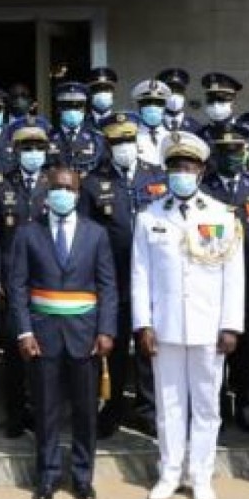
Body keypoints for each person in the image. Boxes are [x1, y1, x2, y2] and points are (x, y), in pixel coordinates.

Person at [131, 132, 243, 499]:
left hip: (209, 326)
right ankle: (169, 472)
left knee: (207, 405)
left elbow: (233, 274)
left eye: (188, 166)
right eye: (175, 166)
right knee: (169, 405)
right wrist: (143, 324)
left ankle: (201, 475)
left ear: (201, 171)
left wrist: (231, 325)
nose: (182, 172)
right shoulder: (149, 216)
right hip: (165, 327)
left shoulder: (222, 215)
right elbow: (140, 274)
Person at [9, 166, 117, 499]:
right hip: (43, 335)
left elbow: (107, 286)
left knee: (86, 411)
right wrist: (24, 330)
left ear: (78, 193)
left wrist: (106, 330)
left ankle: (83, 477)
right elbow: (17, 286)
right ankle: (48, 475)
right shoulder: (28, 233)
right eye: (57, 187)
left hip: (85, 335)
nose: (63, 193)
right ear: (47, 191)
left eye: (69, 188)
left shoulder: (96, 234)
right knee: (46, 410)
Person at [84, 113, 167, 438]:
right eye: (117, 142)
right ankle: (112, 409)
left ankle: (148, 410)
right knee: (114, 346)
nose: (124, 147)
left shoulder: (157, 176)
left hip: (153, 277)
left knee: (149, 345)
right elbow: (88, 233)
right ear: (107, 145)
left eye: (128, 140)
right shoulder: (93, 182)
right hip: (113, 278)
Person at [201, 128, 249, 433]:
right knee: (213, 348)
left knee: (247, 349)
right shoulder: (203, 188)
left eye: (237, 152)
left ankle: (245, 405)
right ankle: (216, 407)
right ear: (215, 156)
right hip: (211, 280)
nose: (232, 157)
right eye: (225, 152)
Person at [0, 120, 54, 437]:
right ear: (16, 151)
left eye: (39, 148)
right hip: (12, 280)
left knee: (44, 351)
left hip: (46, 280)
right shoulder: (1, 185)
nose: (33, 153)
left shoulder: (54, 185)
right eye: (27, 148)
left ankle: (40, 414)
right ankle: (14, 415)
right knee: (15, 352)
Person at [50, 81, 105, 173]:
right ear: (59, 108)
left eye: (78, 106)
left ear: (84, 109)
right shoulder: (48, 138)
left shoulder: (97, 139)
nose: (72, 110)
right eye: (67, 106)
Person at [129, 79, 173, 167]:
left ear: (164, 107)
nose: (153, 106)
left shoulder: (172, 137)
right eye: (147, 102)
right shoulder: (130, 137)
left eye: (158, 103)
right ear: (139, 106)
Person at [154, 68, 200, 133]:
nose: (174, 94)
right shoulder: (154, 125)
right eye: (170, 91)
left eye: (179, 90)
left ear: (184, 94)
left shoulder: (195, 127)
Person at [83, 67, 119, 131]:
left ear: (113, 92)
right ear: (89, 93)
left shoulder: (121, 123)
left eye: (107, 89)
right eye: (96, 89)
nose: (102, 93)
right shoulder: (81, 125)